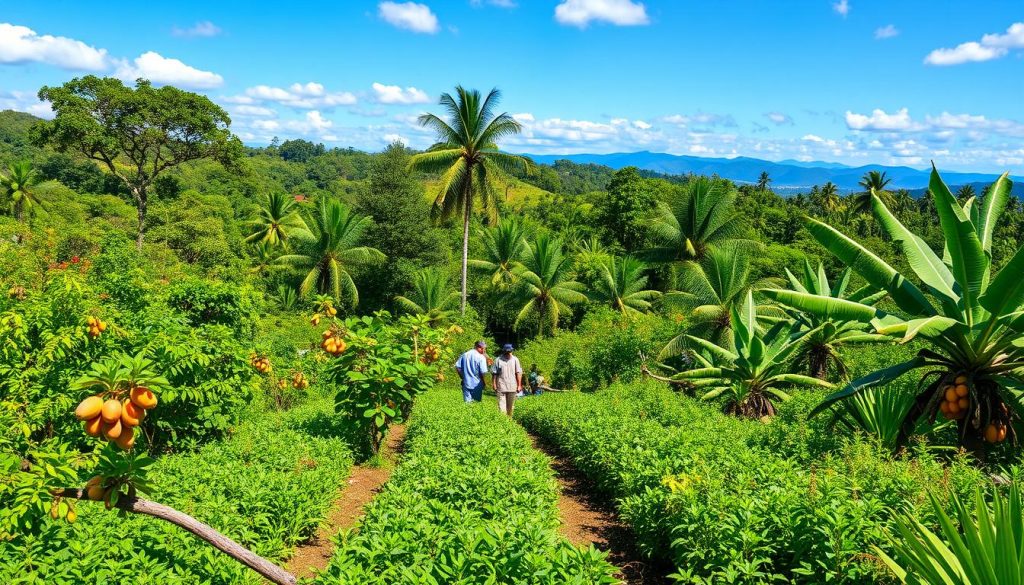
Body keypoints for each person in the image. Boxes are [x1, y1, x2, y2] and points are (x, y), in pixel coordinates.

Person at [492, 343, 523, 416]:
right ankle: (503, 422)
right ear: (504, 351)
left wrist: (519, 385)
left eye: (509, 352)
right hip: (501, 386)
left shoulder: (515, 360)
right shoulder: (498, 360)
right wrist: (494, 384)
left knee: (510, 408)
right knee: (501, 408)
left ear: (511, 351)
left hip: (512, 386)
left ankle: (509, 422)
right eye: (507, 352)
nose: (508, 353)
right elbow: (494, 373)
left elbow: (518, 373)